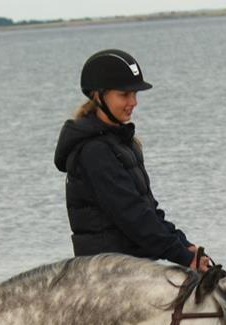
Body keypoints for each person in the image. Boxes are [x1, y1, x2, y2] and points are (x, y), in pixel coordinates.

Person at [53, 49, 211, 272]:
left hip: (130, 264)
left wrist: (184, 245)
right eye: (124, 95)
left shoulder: (123, 142)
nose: (133, 102)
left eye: (135, 94)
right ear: (98, 96)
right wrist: (182, 257)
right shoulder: (95, 151)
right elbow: (132, 216)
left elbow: (147, 209)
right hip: (106, 270)